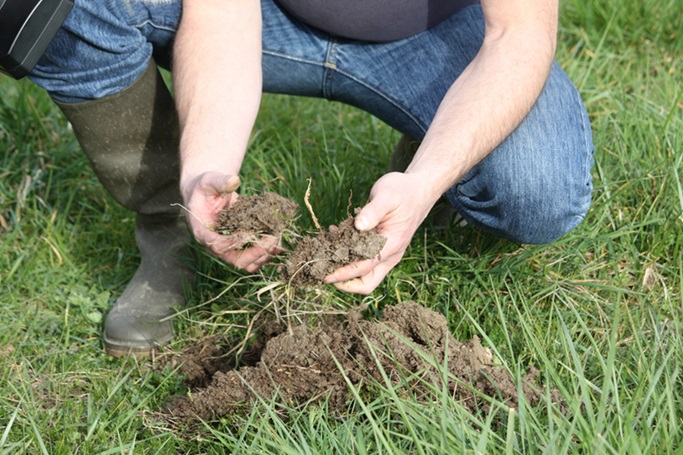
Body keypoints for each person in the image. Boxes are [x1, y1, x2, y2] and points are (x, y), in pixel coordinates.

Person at [25, 0, 593, 357]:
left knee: (537, 190)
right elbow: (221, 11)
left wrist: (425, 181)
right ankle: (169, 228)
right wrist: (205, 169)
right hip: (272, 18)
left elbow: (517, 34)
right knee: (68, 7)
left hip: (436, 31)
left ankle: (439, 145)